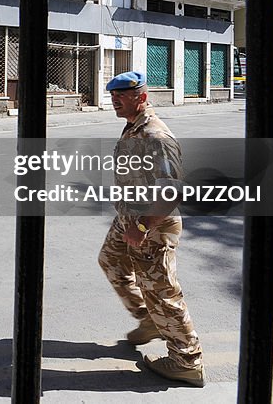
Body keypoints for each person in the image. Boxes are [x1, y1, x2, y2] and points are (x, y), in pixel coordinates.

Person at [98, 71, 204, 387]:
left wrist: (143, 226)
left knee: (162, 290)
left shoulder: (156, 136)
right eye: (113, 95)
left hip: (152, 225)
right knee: (111, 261)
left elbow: (172, 191)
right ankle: (150, 320)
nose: (114, 100)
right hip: (130, 219)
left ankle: (187, 361)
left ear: (141, 98)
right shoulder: (134, 126)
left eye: (122, 96)